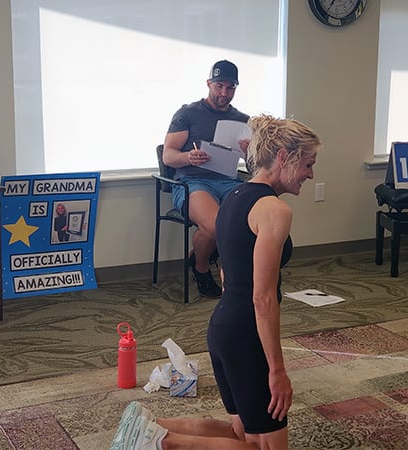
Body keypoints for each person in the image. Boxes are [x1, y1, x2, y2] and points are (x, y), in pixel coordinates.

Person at [111, 115, 322, 450]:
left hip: (222, 328)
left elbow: (226, 275)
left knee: (243, 435)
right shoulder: (274, 210)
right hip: (245, 334)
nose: (310, 173)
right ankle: (163, 443)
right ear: (283, 157)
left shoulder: (233, 197)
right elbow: (262, 299)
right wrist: (277, 370)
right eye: (308, 164)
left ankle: (150, 425)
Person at [162, 60, 250, 298]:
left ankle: (234, 272)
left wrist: (250, 151)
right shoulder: (188, 113)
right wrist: (189, 157)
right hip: (192, 182)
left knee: (254, 218)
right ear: (209, 84)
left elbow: (254, 165)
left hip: (228, 180)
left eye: (230, 88)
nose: (224, 93)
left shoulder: (243, 120)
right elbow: (168, 156)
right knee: (213, 226)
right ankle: (201, 267)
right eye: (219, 86)